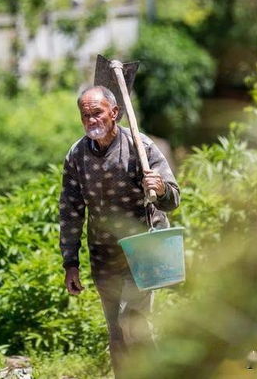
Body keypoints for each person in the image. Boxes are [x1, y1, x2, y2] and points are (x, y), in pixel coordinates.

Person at [59, 85, 180, 378]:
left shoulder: (141, 147)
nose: (91, 121)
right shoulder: (77, 156)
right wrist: (70, 263)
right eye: (85, 115)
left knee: (132, 321)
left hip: (144, 248)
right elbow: (71, 211)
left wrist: (160, 188)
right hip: (104, 254)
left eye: (97, 113)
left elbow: (173, 199)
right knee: (116, 330)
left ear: (114, 113)